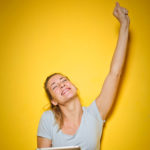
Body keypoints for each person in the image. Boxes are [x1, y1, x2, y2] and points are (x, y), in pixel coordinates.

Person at [37, 2, 130, 150]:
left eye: (64, 80)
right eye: (54, 86)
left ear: (73, 86)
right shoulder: (48, 119)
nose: (61, 84)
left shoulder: (96, 113)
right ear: (53, 101)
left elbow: (115, 73)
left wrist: (124, 25)